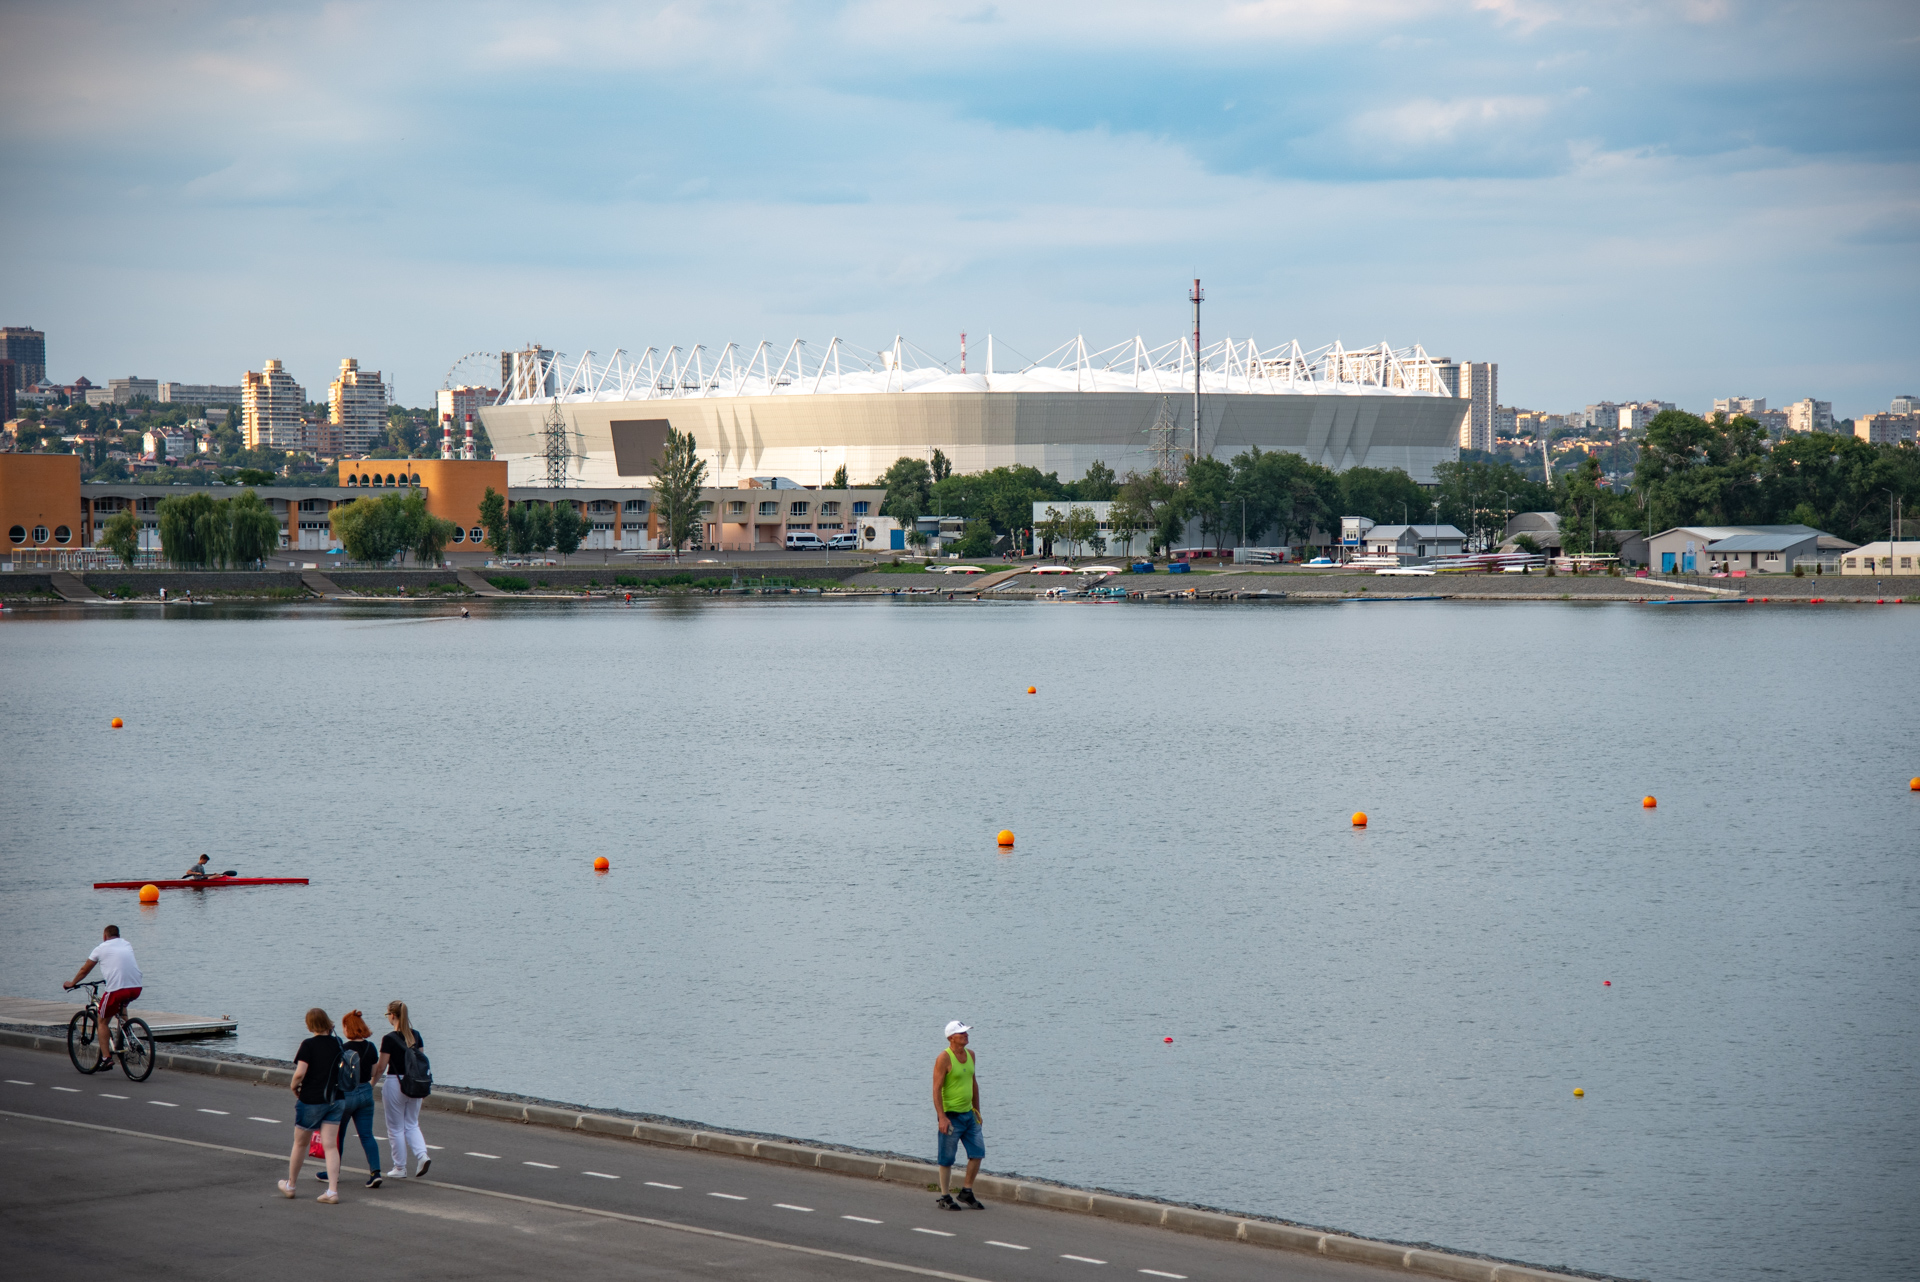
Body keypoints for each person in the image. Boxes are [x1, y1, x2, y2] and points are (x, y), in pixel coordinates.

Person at [280, 1008, 345, 1203]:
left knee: (300, 1143)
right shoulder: (338, 1043)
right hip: (336, 1098)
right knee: (331, 1146)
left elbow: (300, 1073)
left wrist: (293, 1086)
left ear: (310, 1025)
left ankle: (291, 1185)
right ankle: (332, 1191)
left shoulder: (308, 1045)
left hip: (311, 1099)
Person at [313, 1009, 382, 1188]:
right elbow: (374, 1072)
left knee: (338, 1136)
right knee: (367, 1135)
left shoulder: (343, 1049)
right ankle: (375, 1172)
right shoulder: (371, 1047)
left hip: (347, 1094)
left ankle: (332, 1172)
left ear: (347, 1028)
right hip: (366, 1092)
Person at [64, 925, 141, 1070]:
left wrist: (72, 983)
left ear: (104, 936)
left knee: (102, 1021)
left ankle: (106, 1058)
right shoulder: (126, 943)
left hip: (117, 990)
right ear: (118, 935)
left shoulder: (101, 947)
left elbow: (84, 970)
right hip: (136, 987)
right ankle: (128, 1035)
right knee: (121, 1006)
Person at [932, 1020, 986, 1210]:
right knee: (947, 1158)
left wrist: (977, 1110)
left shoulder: (971, 1055)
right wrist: (942, 1117)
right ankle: (944, 1196)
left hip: (969, 1115)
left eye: (966, 1032)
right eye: (961, 1033)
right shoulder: (944, 1059)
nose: (966, 1035)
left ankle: (967, 1191)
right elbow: (936, 1089)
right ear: (951, 1038)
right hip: (951, 1116)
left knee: (978, 1153)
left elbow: (973, 1083)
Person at [378, 1000, 429, 1180]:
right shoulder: (416, 1035)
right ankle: (422, 1156)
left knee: (396, 1128)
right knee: (412, 1124)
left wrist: (371, 1083)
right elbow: (421, 1062)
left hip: (395, 1083)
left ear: (392, 1015)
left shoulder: (389, 1039)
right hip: (415, 1084)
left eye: (388, 1015)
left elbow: (381, 1067)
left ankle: (400, 1167)